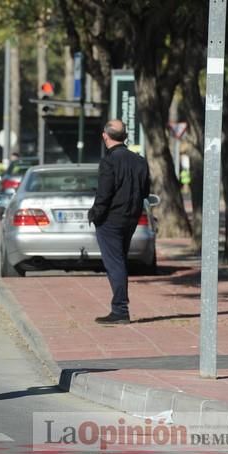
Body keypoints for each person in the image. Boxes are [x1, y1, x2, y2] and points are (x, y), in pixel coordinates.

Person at [87, 119, 150, 325]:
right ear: (125, 137)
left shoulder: (109, 162)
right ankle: (120, 308)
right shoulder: (140, 161)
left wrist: (95, 214)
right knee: (119, 261)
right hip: (131, 217)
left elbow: (104, 194)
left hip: (111, 220)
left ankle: (120, 309)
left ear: (105, 136)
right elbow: (145, 191)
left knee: (114, 263)